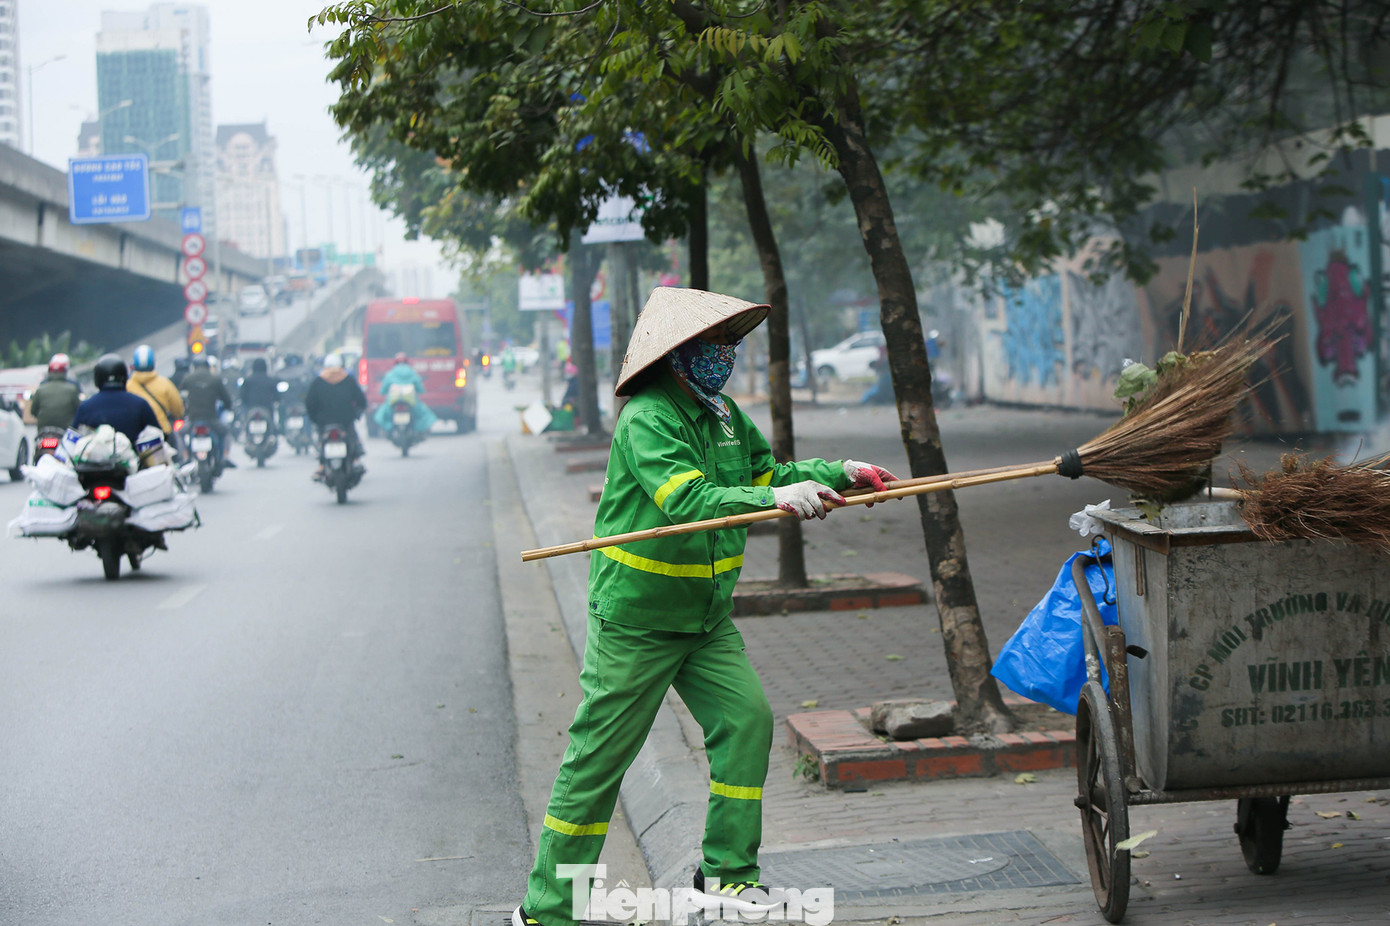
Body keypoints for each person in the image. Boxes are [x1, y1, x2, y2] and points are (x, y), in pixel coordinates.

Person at [513, 288, 899, 926]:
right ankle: (549, 908)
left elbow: (767, 474)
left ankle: (726, 877)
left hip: (705, 619)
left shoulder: (722, 414)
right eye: (715, 345)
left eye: (731, 344)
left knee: (747, 723)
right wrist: (776, 500)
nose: (726, 354)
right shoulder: (648, 417)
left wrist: (839, 472)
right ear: (678, 354)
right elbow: (688, 501)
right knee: (599, 761)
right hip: (637, 622)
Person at [71, 354, 162, 444]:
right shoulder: (140, 404)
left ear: (97, 379)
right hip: (137, 457)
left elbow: (72, 441)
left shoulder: (85, 408)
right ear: (125, 376)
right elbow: (157, 435)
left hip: (95, 458)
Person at [304, 353, 367, 476]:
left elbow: (309, 403)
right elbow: (361, 401)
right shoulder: (348, 380)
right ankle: (355, 459)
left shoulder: (318, 382)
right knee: (352, 437)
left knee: (321, 439)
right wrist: (356, 415)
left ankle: (322, 465)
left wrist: (315, 419)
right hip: (345, 420)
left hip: (324, 421)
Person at [181, 355, 237, 468]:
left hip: (193, 418)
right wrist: (227, 407)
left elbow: (181, 397)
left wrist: (184, 411)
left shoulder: (188, 378)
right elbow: (226, 399)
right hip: (211, 418)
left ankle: (185, 456)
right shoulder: (215, 379)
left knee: (178, 434)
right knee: (226, 432)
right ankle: (225, 456)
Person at [126, 344, 186, 441]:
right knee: (174, 452)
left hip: (135, 435)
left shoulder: (127, 386)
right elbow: (178, 410)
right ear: (153, 363)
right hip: (162, 434)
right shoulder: (165, 384)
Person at [371, 352, 437, 434]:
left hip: (393, 402)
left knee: (383, 413)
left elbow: (383, 390)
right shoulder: (413, 373)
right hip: (411, 402)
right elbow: (420, 389)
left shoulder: (391, 374)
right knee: (422, 412)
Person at [28, 353, 83, 431]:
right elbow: (78, 409)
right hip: (66, 428)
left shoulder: (41, 387)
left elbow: (33, 411)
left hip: (43, 428)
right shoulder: (73, 387)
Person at [238, 357, 282, 421]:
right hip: (267, 408)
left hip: (251, 408)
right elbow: (277, 396)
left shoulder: (247, 380)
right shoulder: (270, 380)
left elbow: (242, 396)